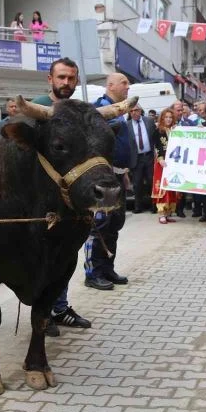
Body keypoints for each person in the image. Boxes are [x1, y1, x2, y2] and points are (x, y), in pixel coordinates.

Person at [27, 58, 91, 337]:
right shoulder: (37, 105)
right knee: (41, 257)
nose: (66, 83)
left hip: (68, 199)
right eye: (61, 77)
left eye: (71, 78)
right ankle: (42, 312)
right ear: (49, 78)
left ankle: (60, 308)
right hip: (38, 199)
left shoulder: (78, 111)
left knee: (65, 255)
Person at [85, 73, 132, 290]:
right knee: (100, 225)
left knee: (114, 225)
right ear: (110, 85)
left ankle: (107, 268)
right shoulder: (99, 109)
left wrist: (125, 174)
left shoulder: (119, 107)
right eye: (124, 82)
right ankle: (92, 274)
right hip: (105, 180)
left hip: (119, 176)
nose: (128, 86)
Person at [128, 103, 157, 214]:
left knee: (151, 182)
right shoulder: (127, 125)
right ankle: (138, 206)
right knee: (137, 184)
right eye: (131, 111)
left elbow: (155, 136)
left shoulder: (149, 121)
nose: (134, 113)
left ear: (140, 111)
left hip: (149, 156)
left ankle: (153, 205)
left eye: (136, 110)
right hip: (136, 159)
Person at [152, 109, 179, 224]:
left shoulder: (176, 131)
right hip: (162, 163)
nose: (168, 119)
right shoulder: (158, 131)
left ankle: (168, 213)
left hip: (173, 163)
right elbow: (156, 146)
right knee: (162, 187)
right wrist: (160, 159)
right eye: (166, 117)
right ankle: (161, 213)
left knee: (171, 187)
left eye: (170, 117)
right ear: (162, 118)